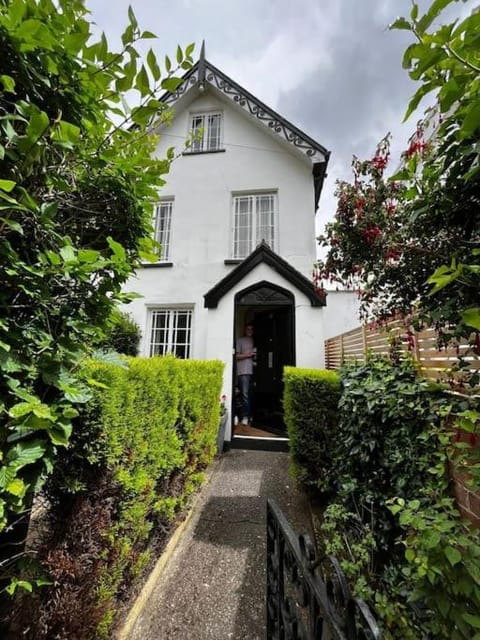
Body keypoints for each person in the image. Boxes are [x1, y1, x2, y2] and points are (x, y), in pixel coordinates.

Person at [236, 323, 256, 425]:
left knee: (253, 395)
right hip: (244, 371)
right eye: (248, 329)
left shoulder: (256, 340)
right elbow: (236, 356)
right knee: (245, 395)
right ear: (245, 330)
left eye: (251, 329)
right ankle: (245, 417)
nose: (250, 330)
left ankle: (251, 416)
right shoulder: (240, 340)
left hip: (256, 372)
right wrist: (248, 355)